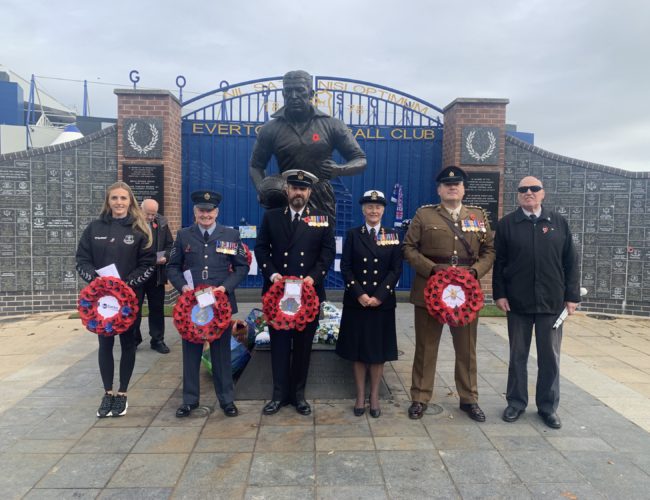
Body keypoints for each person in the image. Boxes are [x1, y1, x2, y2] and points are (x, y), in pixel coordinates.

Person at [403, 166, 495, 421]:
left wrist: (475, 272)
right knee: (426, 347)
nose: (452, 187)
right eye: (447, 184)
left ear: (463, 189)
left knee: (467, 349)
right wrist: (432, 270)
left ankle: (469, 399)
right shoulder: (424, 215)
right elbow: (409, 248)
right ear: (439, 190)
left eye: (457, 184)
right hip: (430, 291)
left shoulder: (477, 215)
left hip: (466, 294)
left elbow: (489, 250)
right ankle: (420, 398)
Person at [493, 176, 580, 429]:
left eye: (534, 188)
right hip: (517, 302)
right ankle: (516, 402)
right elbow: (499, 263)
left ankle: (548, 407)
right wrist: (499, 294)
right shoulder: (507, 224)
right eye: (523, 189)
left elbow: (571, 261)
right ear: (518, 195)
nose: (528, 192)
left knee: (549, 358)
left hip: (551, 302)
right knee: (517, 355)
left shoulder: (558, 222)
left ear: (543, 193)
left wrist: (572, 296)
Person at [254, 169, 336, 416]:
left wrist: (313, 277)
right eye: (294, 188)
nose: (298, 193)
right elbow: (261, 249)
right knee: (279, 345)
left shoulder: (321, 218)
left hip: (308, 295)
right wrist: (273, 275)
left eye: (303, 189)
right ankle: (278, 395)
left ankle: (299, 395)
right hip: (278, 295)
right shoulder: (272, 217)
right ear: (287, 190)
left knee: (302, 347)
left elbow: (327, 253)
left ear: (309, 192)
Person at [76, 181, 156, 418]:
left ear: (130, 201)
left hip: (129, 301)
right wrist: (97, 281)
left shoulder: (139, 229)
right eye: (114, 198)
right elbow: (82, 260)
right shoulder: (94, 228)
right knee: (105, 345)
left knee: (128, 344)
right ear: (108, 201)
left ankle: (122, 393)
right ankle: (107, 393)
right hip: (102, 303)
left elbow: (147, 263)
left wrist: (125, 285)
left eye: (123, 198)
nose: (119, 202)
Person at [167, 190, 249, 418]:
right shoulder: (184, 235)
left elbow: (241, 267)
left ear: (217, 212)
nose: (205, 214)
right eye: (201, 211)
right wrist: (183, 287)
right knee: (191, 354)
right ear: (195, 212)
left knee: (221, 355)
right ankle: (189, 400)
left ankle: (227, 400)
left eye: (209, 210)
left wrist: (225, 288)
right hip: (192, 308)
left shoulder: (230, 235)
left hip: (220, 307)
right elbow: (172, 267)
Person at [249, 69, 367, 221]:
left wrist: (340, 169)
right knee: (283, 235)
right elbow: (255, 166)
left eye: (300, 90)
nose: (294, 96)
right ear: (283, 94)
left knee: (320, 235)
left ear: (311, 94)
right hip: (286, 195)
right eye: (288, 91)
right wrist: (263, 190)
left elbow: (360, 159)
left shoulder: (332, 125)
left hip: (320, 197)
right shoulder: (270, 128)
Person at [335, 190, 403, 418]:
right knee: (357, 350)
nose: (374, 211)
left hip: (381, 303)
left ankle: (374, 396)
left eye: (378, 207)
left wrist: (379, 296)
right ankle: (360, 395)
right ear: (363, 210)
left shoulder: (392, 234)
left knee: (377, 351)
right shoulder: (353, 234)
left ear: (383, 210)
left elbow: (396, 269)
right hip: (358, 302)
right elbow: (345, 267)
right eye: (369, 207)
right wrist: (360, 294)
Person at [133, 198, 174, 354]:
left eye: (153, 214)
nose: (150, 217)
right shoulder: (131, 223)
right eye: (148, 214)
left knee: (157, 308)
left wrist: (166, 257)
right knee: (134, 308)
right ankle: (133, 340)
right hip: (136, 274)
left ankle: (157, 340)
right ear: (140, 209)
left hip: (156, 274)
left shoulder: (162, 223)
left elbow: (169, 245)